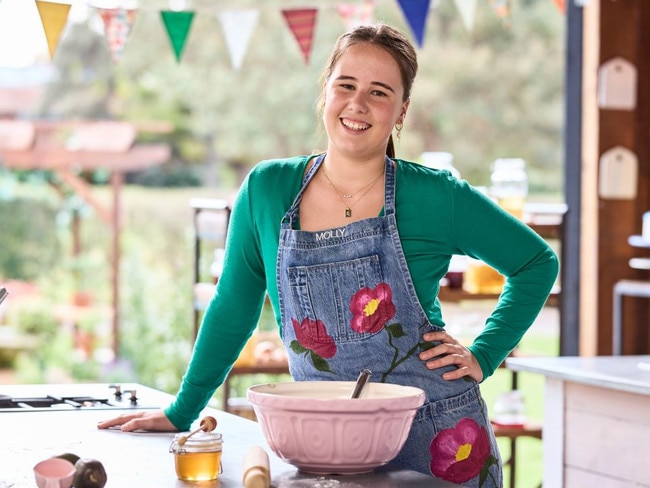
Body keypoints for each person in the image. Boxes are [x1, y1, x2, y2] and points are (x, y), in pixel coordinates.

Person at [99, 23, 558, 487]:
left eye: (379, 92)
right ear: (326, 91)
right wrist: (183, 411)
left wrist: (485, 353)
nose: (358, 104)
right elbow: (233, 309)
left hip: (439, 443)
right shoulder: (268, 189)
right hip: (325, 445)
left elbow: (537, 263)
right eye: (346, 85)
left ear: (402, 111)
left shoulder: (436, 196)